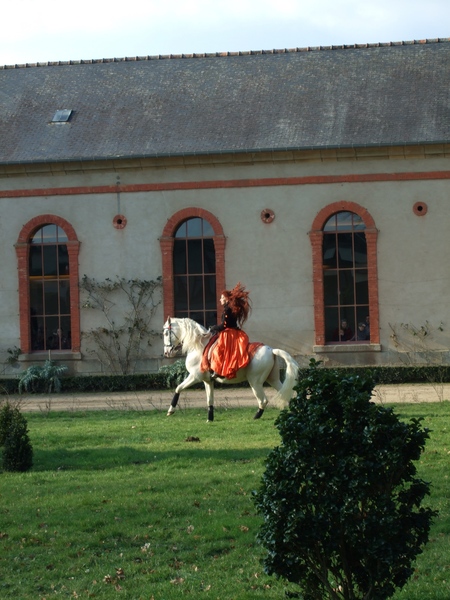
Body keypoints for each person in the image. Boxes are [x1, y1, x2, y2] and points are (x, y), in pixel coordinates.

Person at [205, 282, 251, 379]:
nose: (220, 299)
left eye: (221, 298)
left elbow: (224, 325)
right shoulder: (229, 309)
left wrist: (213, 328)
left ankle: (218, 371)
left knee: (217, 350)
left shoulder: (227, 310)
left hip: (228, 333)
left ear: (226, 299)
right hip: (234, 331)